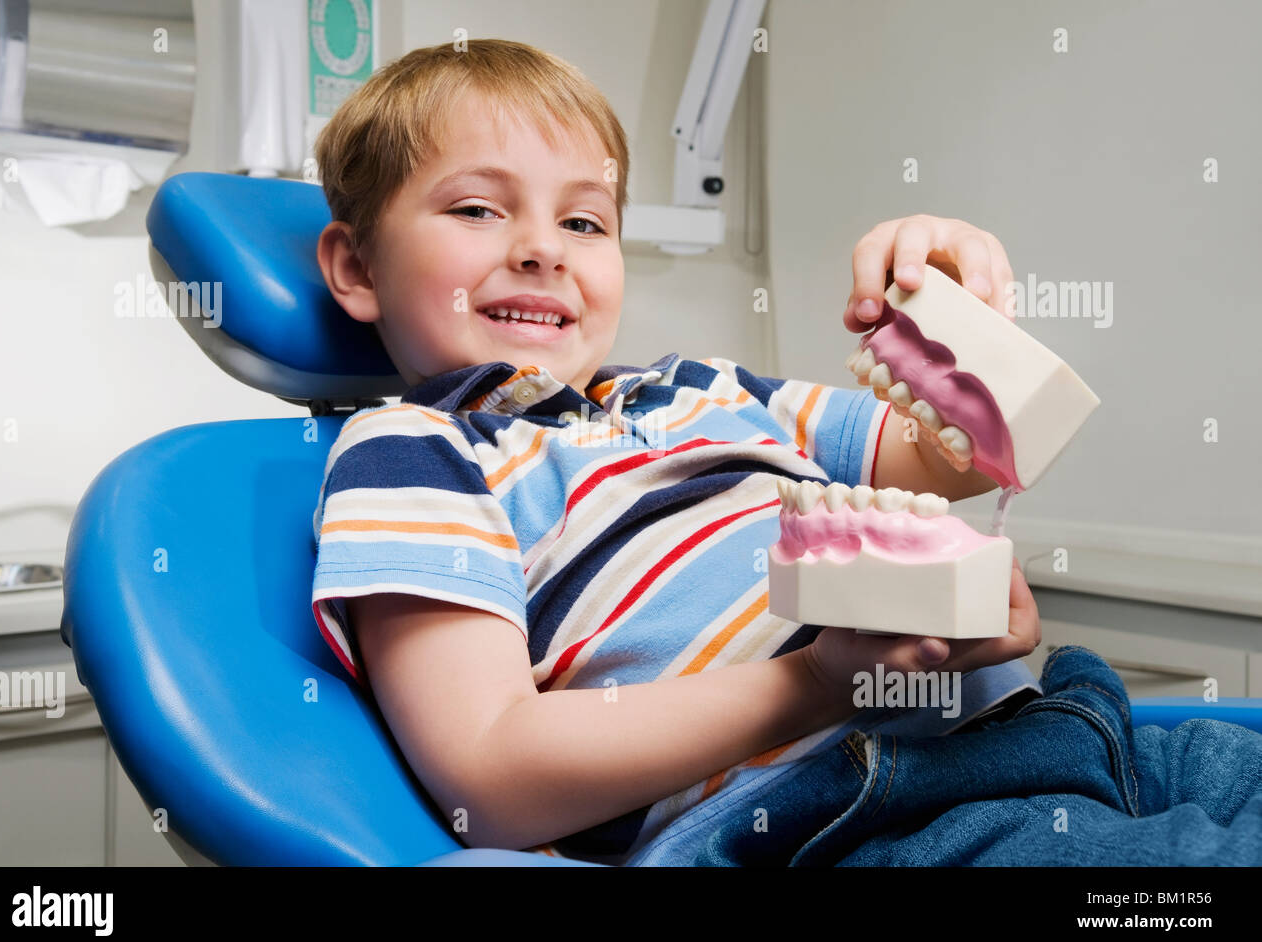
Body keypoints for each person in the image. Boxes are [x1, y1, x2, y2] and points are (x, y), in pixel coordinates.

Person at [309, 39, 1262, 866]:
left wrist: (947, 299)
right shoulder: (417, 451)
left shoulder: (707, 392)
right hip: (844, 816)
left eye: (584, 221)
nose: (542, 249)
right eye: (478, 209)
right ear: (356, 267)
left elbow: (961, 457)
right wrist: (820, 682)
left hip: (1056, 724)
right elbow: (494, 776)